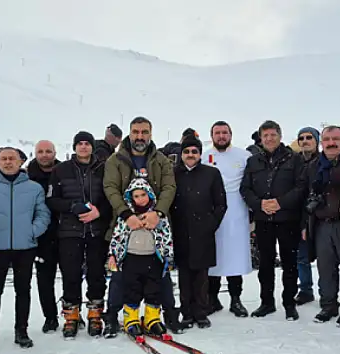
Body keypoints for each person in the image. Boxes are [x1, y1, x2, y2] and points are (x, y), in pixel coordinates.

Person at [103, 116, 177, 337]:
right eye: (136, 132)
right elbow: (110, 188)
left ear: (150, 134)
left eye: (144, 132)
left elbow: (169, 187)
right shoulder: (116, 160)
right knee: (121, 279)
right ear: (130, 133)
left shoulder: (161, 160)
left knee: (159, 278)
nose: (140, 136)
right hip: (125, 225)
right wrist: (126, 214)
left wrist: (158, 212)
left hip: (155, 225)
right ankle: (113, 317)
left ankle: (164, 315)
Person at [0, 147, 50, 352]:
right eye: (4, 159)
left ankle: (21, 331)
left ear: (20, 161)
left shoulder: (34, 188)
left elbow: (43, 214)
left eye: (12, 158)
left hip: (25, 247)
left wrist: (32, 232)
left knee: (23, 290)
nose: (8, 162)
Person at [47, 132, 112, 339]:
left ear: (92, 146)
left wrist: (99, 211)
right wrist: (71, 206)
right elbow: (51, 199)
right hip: (70, 231)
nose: (84, 147)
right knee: (70, 274)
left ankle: (95, 314)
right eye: (80, 144)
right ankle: (71, 315)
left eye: (87, 144)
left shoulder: (103, 168)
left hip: (96, 230)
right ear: (75, 147)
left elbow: (112, 196)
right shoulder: (61, 170)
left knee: (96, 274)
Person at [240, 120, 307, 320]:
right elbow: (245, 188)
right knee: (265, 263)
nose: (269, 139)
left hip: (287, 219)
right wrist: (259, 204)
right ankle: (266, 302)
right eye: (265, 136)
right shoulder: (253, 161)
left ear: (280, 136)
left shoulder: (294, 159)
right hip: (263, 219)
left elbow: (301, 187)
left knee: (289, 263)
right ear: (260, 138)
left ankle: (289, 303)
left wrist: (280, 202)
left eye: (273, 135)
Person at [303, 126, 340, 326]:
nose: (331, 143)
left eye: (336, 139)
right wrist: (305, 224)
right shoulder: (314, 165)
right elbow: (305, 195)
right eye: (327, 139)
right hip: (321, 223)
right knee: (325, 267)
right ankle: (328, 305)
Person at [171, 134, 227, 328]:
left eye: (194, 151)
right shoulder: (173, 174)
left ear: (200, 154)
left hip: (203, 232)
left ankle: (201, 312)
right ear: (181, 154)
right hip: (180, 231)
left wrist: (210, 225)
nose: (190, 154)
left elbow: (221, 204)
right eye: (186, 151)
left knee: (202, 276)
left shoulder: (211, 174)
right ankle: (186, 312)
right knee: (184, 275)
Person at [108, 178, 174, 336]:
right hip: (132, 258)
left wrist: (168, 256)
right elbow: (117, 236)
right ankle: (131, 318)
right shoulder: (126, 217)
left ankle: (152, 318)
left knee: (153, 288)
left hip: (153, 258)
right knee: (132, 289)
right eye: (136, 196)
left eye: (143, 195)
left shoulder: (158, 216)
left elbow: (167, 236)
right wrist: (113, 255)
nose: (140, 199)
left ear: (150, 194)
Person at [203, 121, 252, 317]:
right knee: (213, 255)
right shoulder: (204, 156)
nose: (221, 136)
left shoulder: (244, 156)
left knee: (234, 257)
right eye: (217, 133)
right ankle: (212, 299)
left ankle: (236, 299)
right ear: (212, 136)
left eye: (225, 132)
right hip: (211, 210)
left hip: (236, 211)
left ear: (230, 135)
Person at [26, 140, 62, 333]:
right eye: (40, 151)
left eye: (48, 151)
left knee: (71, 277)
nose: (45, 155)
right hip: (41, 236)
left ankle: (72, 313)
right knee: (44, 280)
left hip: (65, 231)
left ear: (54, 153)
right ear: (35, 154)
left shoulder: (64, 172)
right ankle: (50, 317)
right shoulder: (27, 176)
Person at [294, 127, 320, 305]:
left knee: (329, 259)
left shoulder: (324, 161)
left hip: (322, 216)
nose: (305, 141)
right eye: (301, 138)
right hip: (300, 216)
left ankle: (331, 293)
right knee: (301, 257)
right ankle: (305, 290)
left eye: (309, 137)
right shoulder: (295, 163)